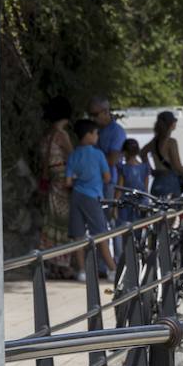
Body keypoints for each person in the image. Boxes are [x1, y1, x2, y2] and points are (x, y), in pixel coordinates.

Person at [65, 118, 118, 280]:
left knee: (78, 235)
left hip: (76, 196)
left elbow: (68, 182)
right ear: (88, 135)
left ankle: (81, 271)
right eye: (95, 133)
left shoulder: (73, 155)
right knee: (100, 233)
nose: (97, 136)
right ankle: (112, 269)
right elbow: (107, 177)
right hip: (93, 196)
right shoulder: (98, 154)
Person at [37, 96, 74, 269]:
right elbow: (73, 158)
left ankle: (49, 258)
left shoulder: (46, 135)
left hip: (51, 181)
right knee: (64, 223)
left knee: (51, 221)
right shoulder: (62, 135)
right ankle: (62, 262)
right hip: (63, 181)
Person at [144, 110, 183, 199]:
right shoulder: (171, 142)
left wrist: (151, 170)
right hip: (170, 183)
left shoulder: (154, 142)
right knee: (174, 211)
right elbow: (178, 167)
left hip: (157, 182)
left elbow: (142, 153)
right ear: (171, 124)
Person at [87, 96, 127, 201]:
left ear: (106, 112)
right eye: (89, 115)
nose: (91, 118)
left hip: (109, 183)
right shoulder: (93, 129)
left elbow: (112, 160)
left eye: (95, 115)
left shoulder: (117, 132)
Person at [116, 137, 152, 226]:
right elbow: (145, 189)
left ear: (124, 152)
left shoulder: (123, 168)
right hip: (141, 203)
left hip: (126, 204)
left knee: (125, 231)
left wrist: (115, 207)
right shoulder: (145, 167)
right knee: (139, 230)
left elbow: (119, 189)